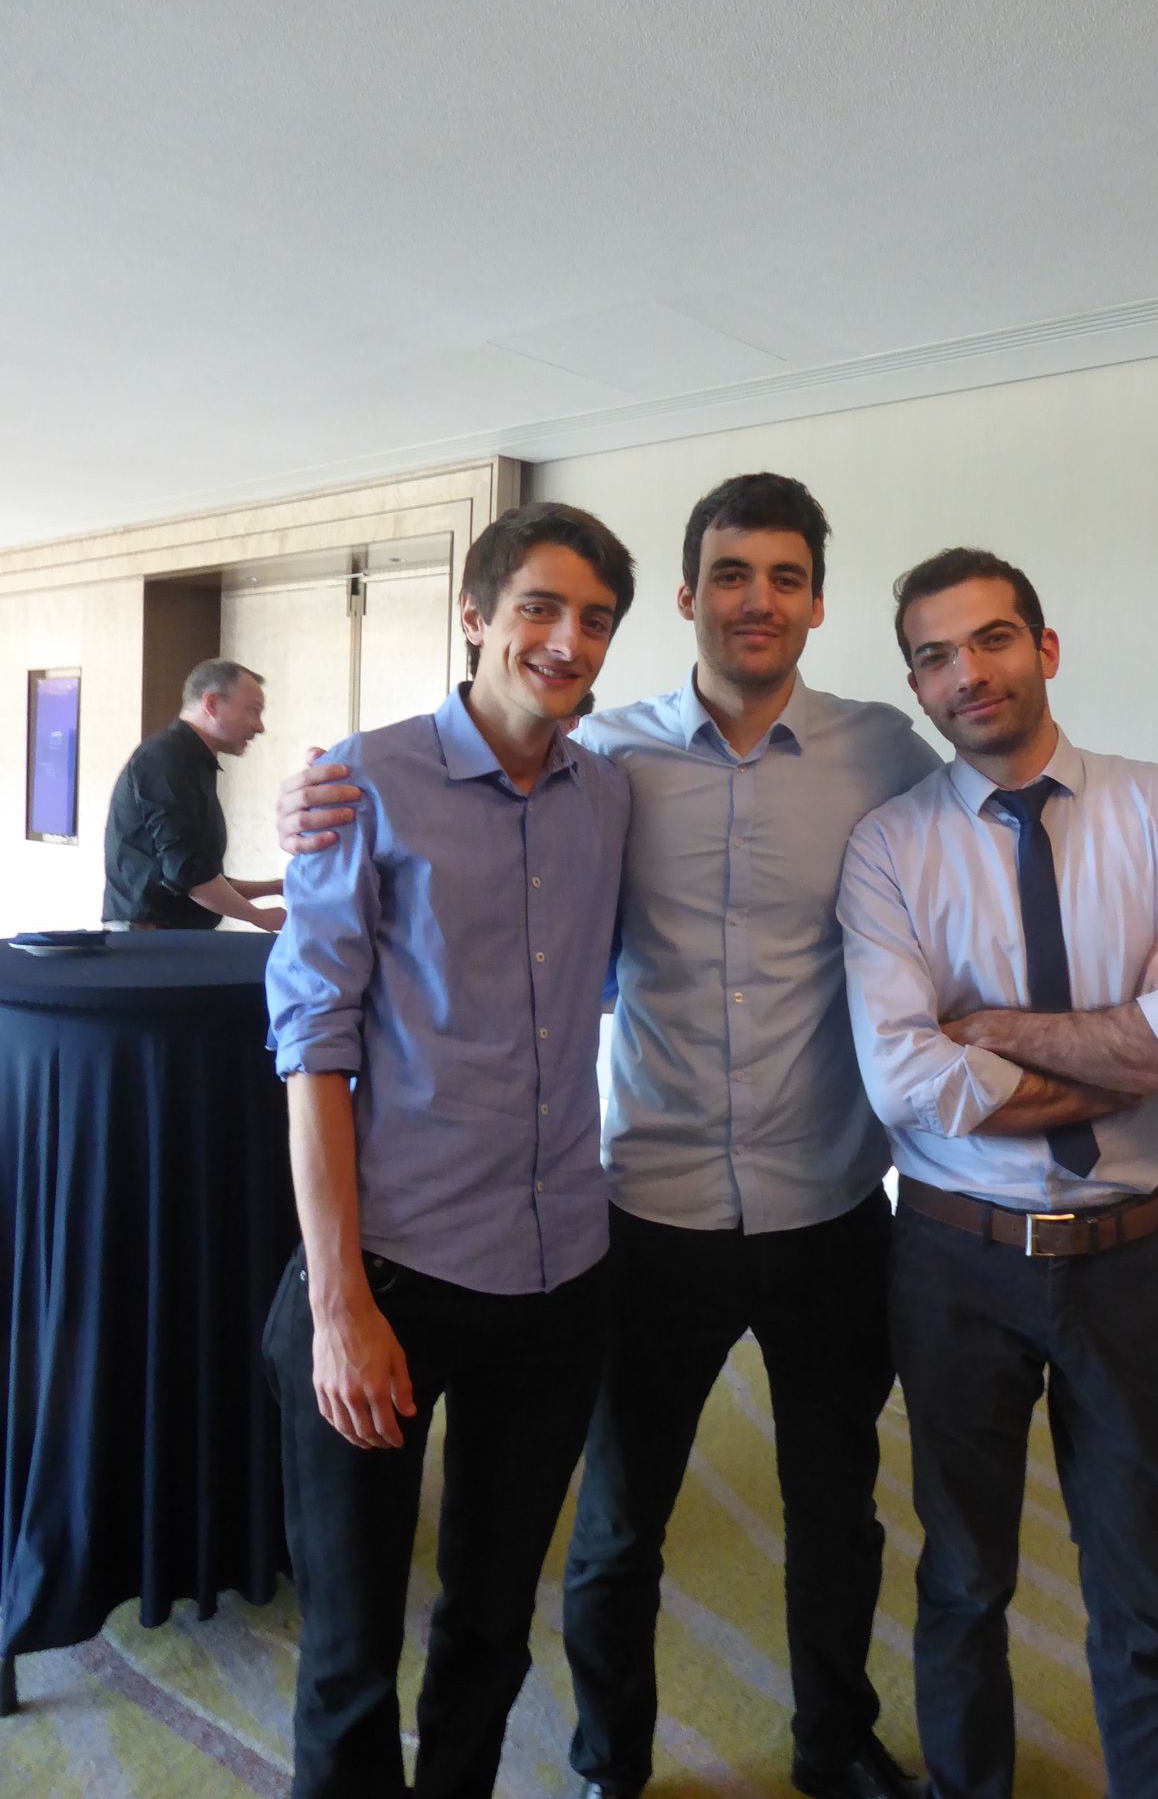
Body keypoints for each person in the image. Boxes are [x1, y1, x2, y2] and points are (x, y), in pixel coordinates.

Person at [274, 477, 1158, 1799]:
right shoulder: (607, 758)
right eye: (731, 574)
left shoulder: (884, 756)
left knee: (837, 1511)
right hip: (647, 1211)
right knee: (618, 1524)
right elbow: (453, 804)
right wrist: (315, 804)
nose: (758, 600)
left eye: (786, 577)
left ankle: (832, 1744)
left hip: (827, 1205)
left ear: (816, 604)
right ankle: (611, 1761)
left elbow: (1004, 789)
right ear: (689, 596)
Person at [837, 546, 1158, 1799]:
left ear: (1046, 647)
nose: (967, 672)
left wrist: (993, 1030)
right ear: (916, 686)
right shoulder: (888, 848)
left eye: (993, 639)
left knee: (1145, 1597)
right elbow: (908, 1083)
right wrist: (1132, 1051)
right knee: (963, 1579)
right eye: (935, 655)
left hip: (1130, 1262)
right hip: (954, 1260)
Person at [262, 503, 635, 1799]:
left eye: (595, 619)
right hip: (395, 1273)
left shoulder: (611, 797)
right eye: (540, 606)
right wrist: (337, 1307)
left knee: (490, 1624)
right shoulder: (362, 783)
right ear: (475, 617)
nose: (567, 639)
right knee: (351, 1650)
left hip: (558, 1277)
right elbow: (313, 1050)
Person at [102, 657, 284, 930]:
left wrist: (277, 887)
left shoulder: (185, 759)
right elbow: (188, 875)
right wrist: (258, 917)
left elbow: (199, 875)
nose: (260, 727)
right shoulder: (166, 759)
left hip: (161, 934)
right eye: (253, 711)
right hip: (148, 938)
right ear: (211, 704)